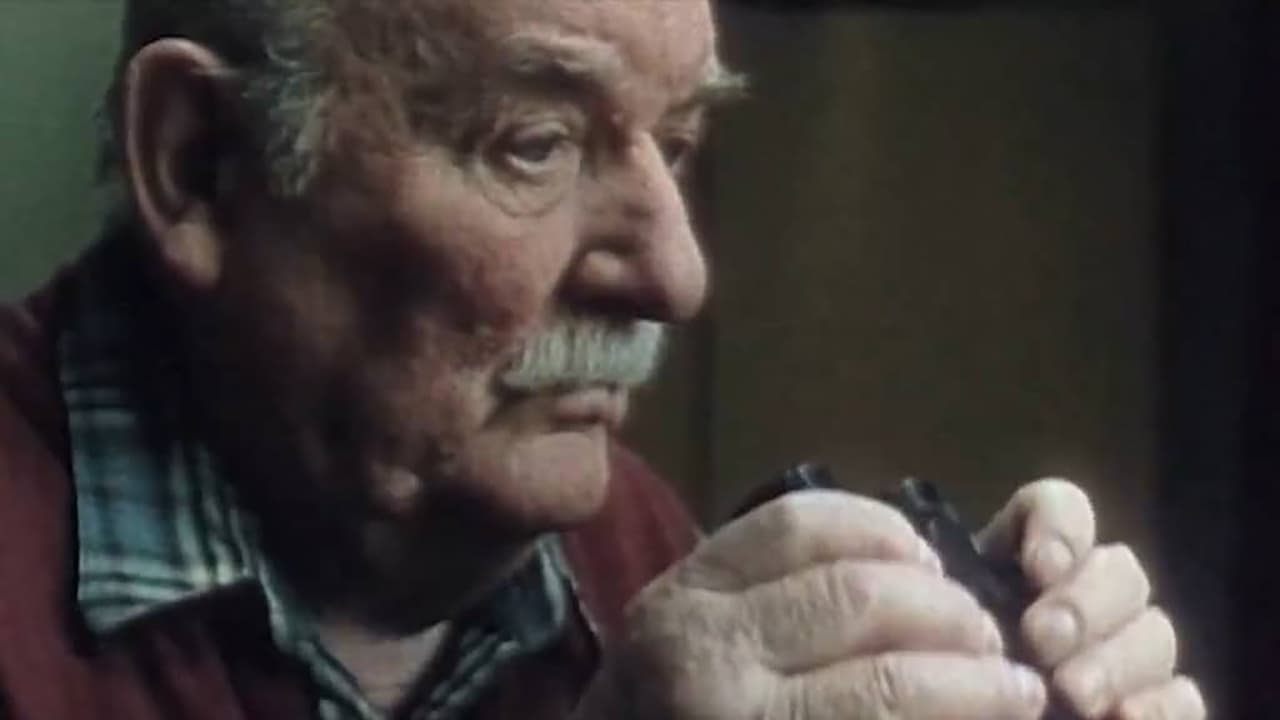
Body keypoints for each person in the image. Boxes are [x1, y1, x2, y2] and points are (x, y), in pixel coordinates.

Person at [0, 0, 1205, 718]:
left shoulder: (626, 545)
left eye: (672, 143)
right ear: (201, 161)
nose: (676, 276)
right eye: (534, 144)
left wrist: (999, 677)